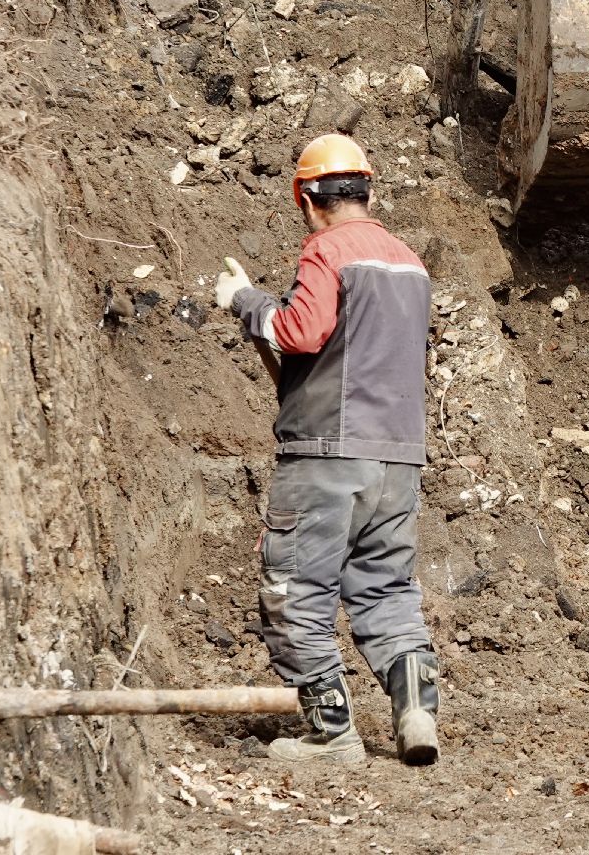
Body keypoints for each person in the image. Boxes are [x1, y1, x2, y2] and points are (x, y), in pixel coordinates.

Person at [214, 133, 440, 764]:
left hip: (327, 454)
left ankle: (331, 732)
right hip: (398, 456)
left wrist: (245, 302)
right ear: (367, 191)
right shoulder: (409, 262)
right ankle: (416, 713)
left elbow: (300, 331)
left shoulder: (328, 250)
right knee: (386, 588)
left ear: (307, 199)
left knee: (295, 589)